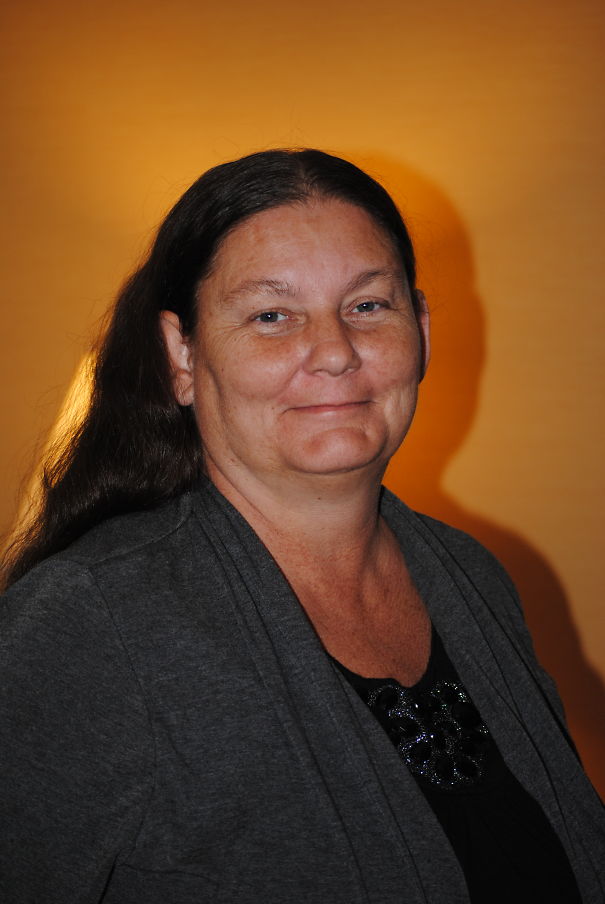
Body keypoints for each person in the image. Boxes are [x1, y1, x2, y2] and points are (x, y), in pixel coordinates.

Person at [0, 149, 603, 904]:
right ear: (180, 355)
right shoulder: (90, 626)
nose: (333, 351)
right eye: (271, 315)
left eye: (367, 305)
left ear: (418, 329)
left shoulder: (473, 576)